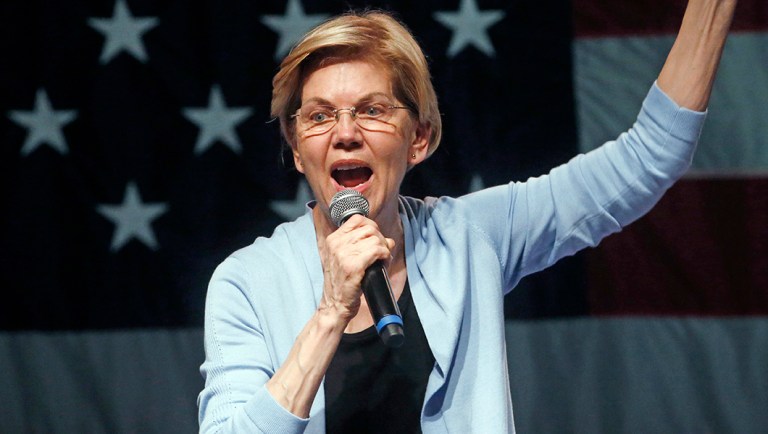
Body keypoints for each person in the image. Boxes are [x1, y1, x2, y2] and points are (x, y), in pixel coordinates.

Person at [197, 1, 738, 432]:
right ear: (296, 148)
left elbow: (649, 157)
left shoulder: (470, 236)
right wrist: (330, 313)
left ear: (420, 139)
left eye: (372, 110)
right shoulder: (245, 281)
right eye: (318, 117)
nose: (344, 132)